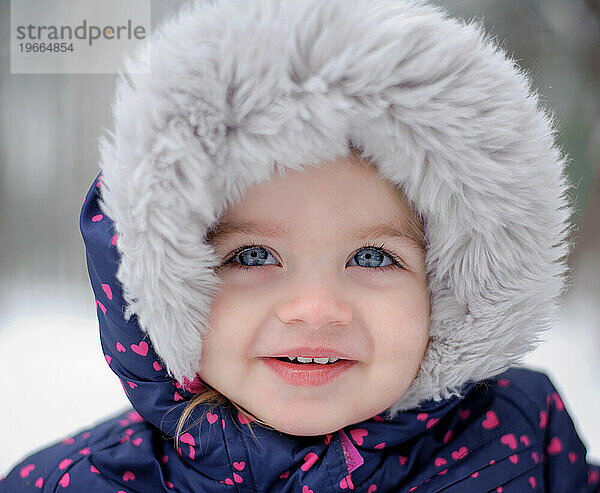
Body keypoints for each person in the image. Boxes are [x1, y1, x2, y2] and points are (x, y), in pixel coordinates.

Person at [2, 0, 599, 491]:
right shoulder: (74, 482)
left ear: (450, 290)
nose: (315, 308)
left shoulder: (522, 439)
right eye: (254, 256)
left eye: (371, 257)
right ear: (160, 281)